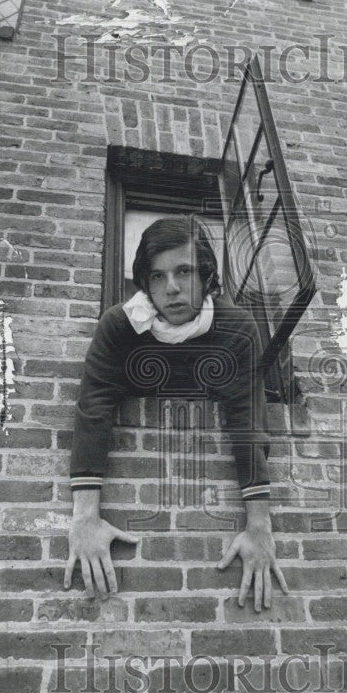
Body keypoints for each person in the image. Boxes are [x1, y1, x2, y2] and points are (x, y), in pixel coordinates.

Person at [65, 216, 290, 612]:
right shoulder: (119, 326)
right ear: (146, 285)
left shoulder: (237, 328)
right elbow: (94, 408)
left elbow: (247, 420)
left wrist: (259, 526)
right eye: (157, 277)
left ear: (205, 275)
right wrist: (85, 517)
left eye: (184, 272)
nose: (171, 287)